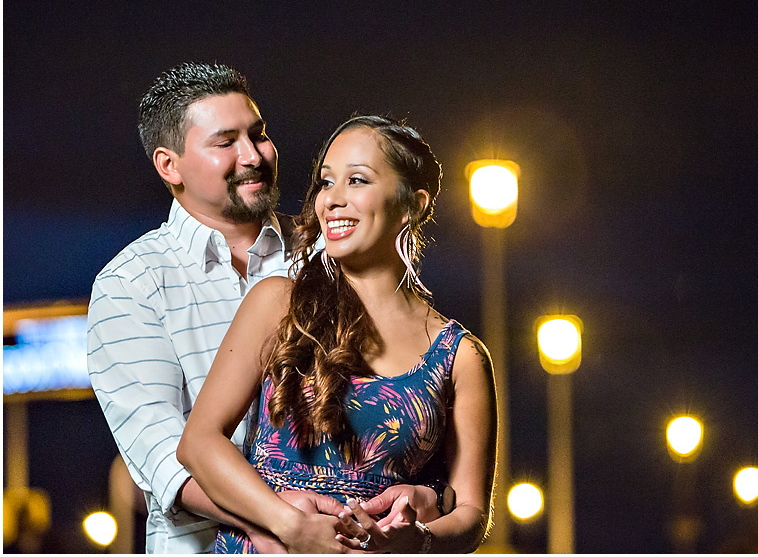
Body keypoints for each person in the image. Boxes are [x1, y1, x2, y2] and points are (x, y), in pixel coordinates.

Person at [87, 64, 448, 553]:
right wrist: (281, 524)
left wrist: (425, 497)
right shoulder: (131, 284)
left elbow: (405, 399)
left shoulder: (331, 254)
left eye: (258, 135)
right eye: (225, 142)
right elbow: (165, 460)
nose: (253, 155)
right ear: (169, 165)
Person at [178, 115, 498, 553]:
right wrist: (289, 525)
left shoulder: (459, 356)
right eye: (326, 183)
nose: (332, 200)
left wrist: (414, 540)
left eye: (357, 181)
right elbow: (198, 443)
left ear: (413, 204)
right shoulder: (279, 305)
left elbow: (471, 515)